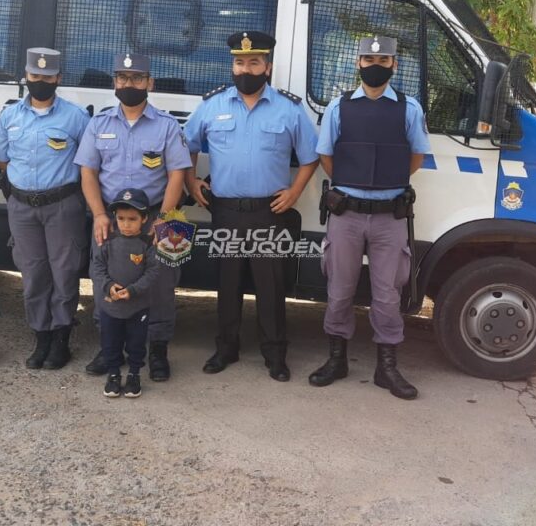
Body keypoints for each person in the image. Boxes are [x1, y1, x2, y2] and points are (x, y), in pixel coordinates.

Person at [184, 31, 319, 382]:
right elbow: (186, 146)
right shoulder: (212, 105)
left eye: (254, 62)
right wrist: (191, 182)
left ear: (267, 67)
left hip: (268, 212)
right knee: (227, 284)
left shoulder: (289, 109)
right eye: (240, 63)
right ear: (233, 66)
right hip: (225, 210)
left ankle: (275, 354)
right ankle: (225, 348)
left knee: (270, 286)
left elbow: (311, 157)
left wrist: (294, 192)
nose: (246, 69)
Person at [309, 35, 431, 400]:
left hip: (389, 217)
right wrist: (354, 183)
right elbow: (326, 156)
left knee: (388, 295)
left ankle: (386, 368)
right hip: (346, 214)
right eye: (368, 60)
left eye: (383, 61)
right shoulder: (338, 106)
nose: (375, 66)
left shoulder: (409, 109)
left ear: (394, 65)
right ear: (358, 63)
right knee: (339, 291)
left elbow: (416, 156)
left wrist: (387, 182)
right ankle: (337, 359)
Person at [74, 53, 191, 382]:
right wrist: (99, 214)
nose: (129, 84)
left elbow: (177, 175)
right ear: (115, 82)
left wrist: (164, 218)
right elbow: (88, 173)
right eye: (123, 78)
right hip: (112, 216)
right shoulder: (98, 124)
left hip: (160, 213)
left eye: (137, 78)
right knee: (106, 278)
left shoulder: (167, 125)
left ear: (149, 83)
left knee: (164, 282)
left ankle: (158, 350)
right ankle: (109, 347)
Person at [0, 47, 91, 370]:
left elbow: (89, 163)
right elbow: (2, 160)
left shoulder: (76, 117)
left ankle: (61, 338)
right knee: (33, 274)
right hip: (22, 208)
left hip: (63, 205)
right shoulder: (10, 116)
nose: (41, 81)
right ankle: (41, 336)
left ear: (58, 78)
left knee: (65, 272)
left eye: (48, 77)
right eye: (35, 75)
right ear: (26, 75)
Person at [90, 188, 164, 398]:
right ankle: (113, 375)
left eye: (132, 219)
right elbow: (98, 267)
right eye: (121, 218)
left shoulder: (147, 245)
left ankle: (133, 375)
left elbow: (153, 272)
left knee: (136, 343)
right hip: (110, 306)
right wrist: (108, 286)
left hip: (137, 307)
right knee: (110, 342)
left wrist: (133, 290)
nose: (126, 224)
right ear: (115, 217)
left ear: (144, 219)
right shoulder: (108, 242)